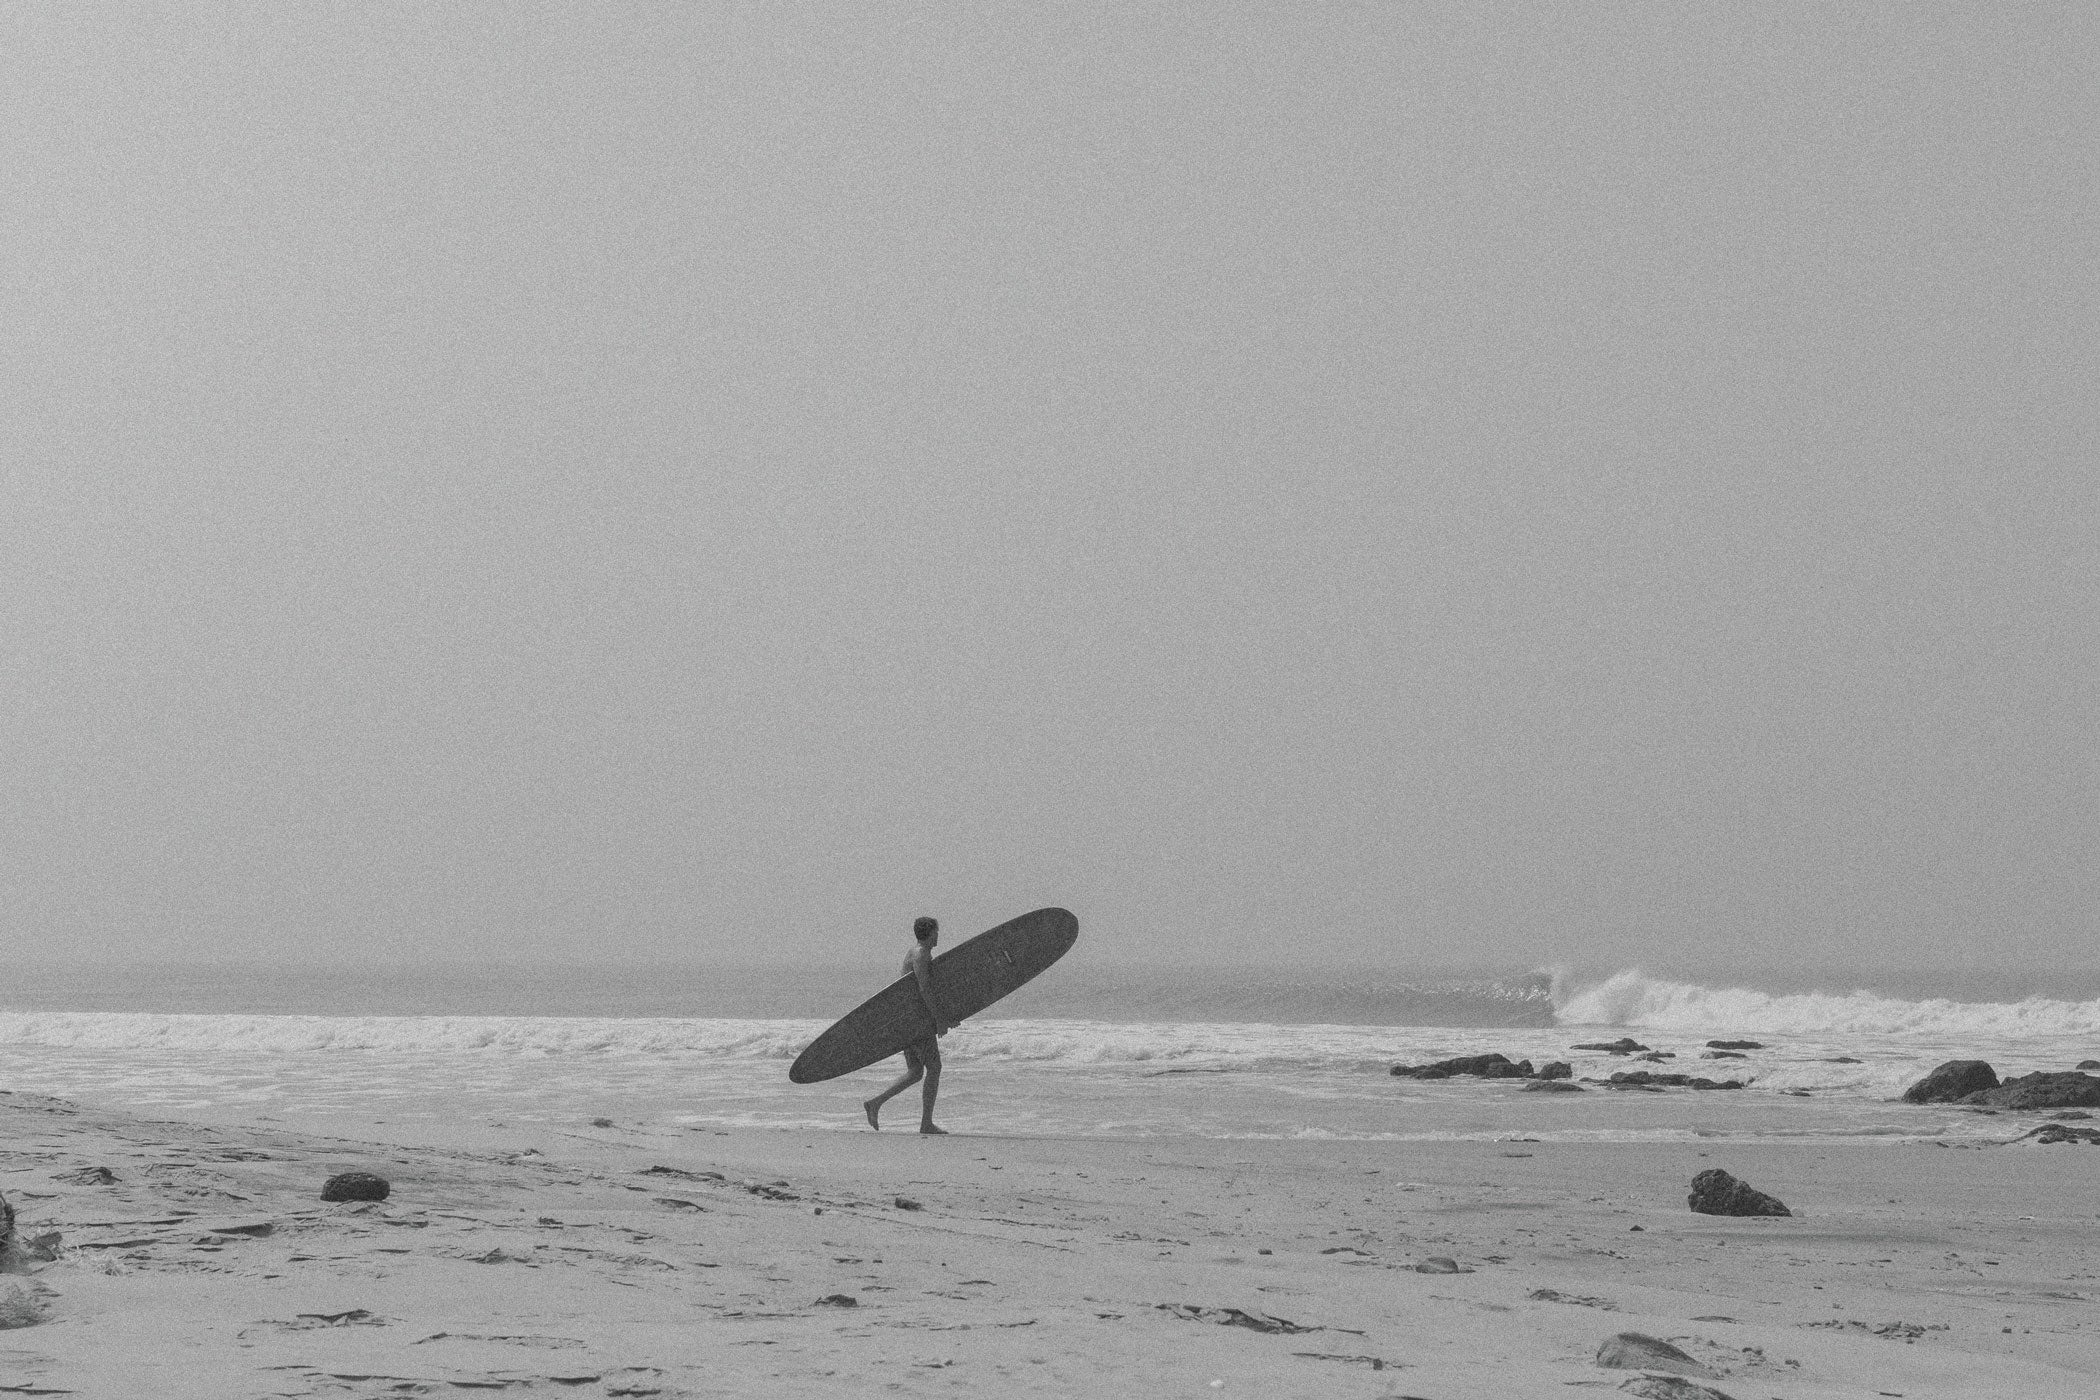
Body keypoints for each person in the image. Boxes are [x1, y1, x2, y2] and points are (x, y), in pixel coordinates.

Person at [863, 915, 952, 1133]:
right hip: (916, 1022)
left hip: (907, 1020)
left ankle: (875, 1103)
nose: (938, 936)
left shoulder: (915, 952)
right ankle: (926, 1123)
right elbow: (924, 989)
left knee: (915, 1072)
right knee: (934, 1068)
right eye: (936, 932)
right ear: (929, 933)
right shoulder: (921, 955)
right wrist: (939, 1020)